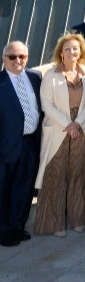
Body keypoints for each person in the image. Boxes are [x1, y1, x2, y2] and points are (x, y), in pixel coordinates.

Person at [35, 33, 85, 237]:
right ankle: (55, 224)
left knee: (79, 175)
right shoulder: (51, 75)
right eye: (67, 49)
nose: (71, 52)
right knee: (55, 176)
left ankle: (78, 218)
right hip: (58, 128)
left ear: (81, 51)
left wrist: (78, 122)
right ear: (61, 53)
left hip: (81, 127)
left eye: (75, 48)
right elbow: (47, 105)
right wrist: (69, 124)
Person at [0, 42, 42, 247]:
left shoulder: (35, 78)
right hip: (5, 146)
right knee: (3, 189)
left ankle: (17, 225)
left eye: (22, 57)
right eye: (12, 57)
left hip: (29, 143)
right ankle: (3, 229)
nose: (18, 61)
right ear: (4, 58)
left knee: (24, 187)